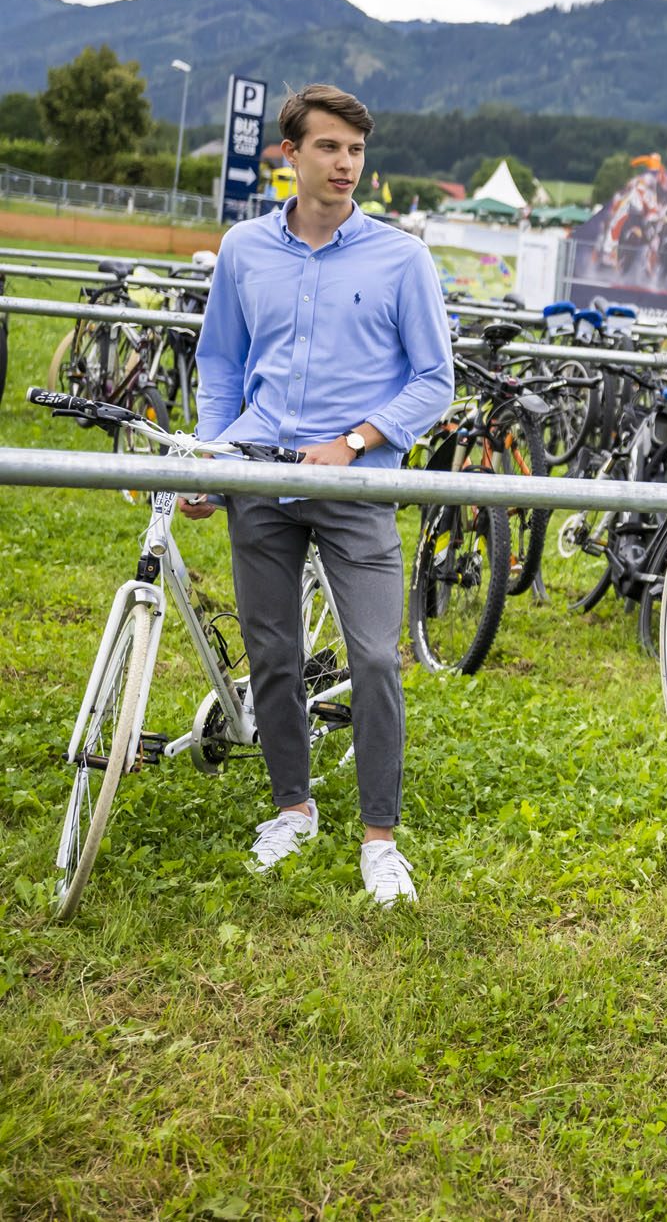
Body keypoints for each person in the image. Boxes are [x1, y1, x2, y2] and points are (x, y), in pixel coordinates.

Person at [186, 83, 453, 906]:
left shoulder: (402, 257)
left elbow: (434, 380)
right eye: (329, 148)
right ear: (290, 155)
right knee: (273, 653)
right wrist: (214, 452)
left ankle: (380, 838)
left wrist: (356, 441)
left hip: (356, 482)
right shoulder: (243, 249)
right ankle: (292, 808)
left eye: (356, 150)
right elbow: (221, 360)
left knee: (375, 655)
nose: (345, 164)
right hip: (259, 473)